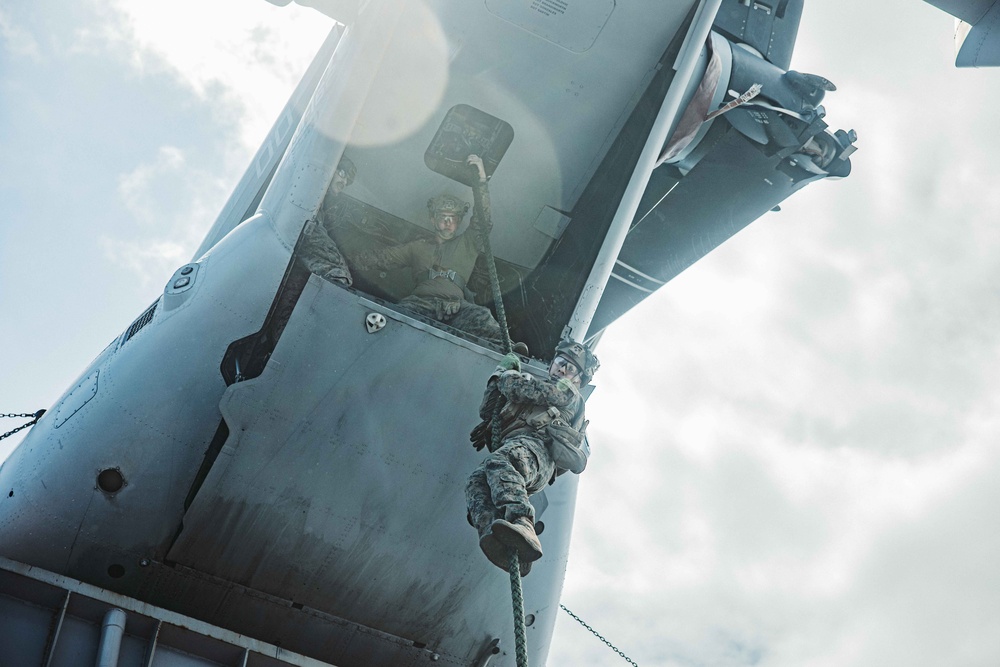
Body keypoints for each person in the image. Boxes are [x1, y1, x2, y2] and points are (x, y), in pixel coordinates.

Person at [465, 340, 600, 575]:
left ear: (578, 379)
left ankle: (523, 523)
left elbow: (518, 388)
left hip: (538, 453)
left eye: (570, 369)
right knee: (476, 482)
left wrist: (507, 374)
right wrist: (498, 376)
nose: (562, 371)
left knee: (501, 461)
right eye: (560, 364)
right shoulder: (532, 392)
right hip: (518, 449)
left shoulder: (566, 392)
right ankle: (498, 538)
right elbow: (488, 411)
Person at [351, 155, 508, 346]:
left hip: (457, 308)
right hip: (420, 304)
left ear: (459, 221)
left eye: (454, 217)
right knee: (394, 320)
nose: (449, 221)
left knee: (482, 317)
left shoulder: (468, 243)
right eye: (443, 216)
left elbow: (483, 219)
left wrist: (481, 181)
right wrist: (348, 258)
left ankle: (510, 356)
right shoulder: (417, 247)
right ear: (433, 220)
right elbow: (381, 258)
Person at [300, 155, 357, 285]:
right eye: (342, 174)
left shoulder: (322, 203)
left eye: (347, 181)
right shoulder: (310, 191)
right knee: (341, 276)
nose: (344, 182)